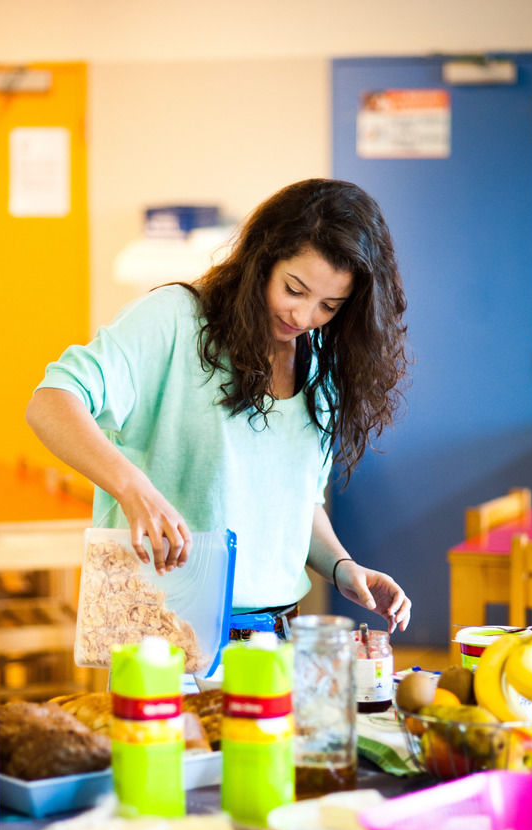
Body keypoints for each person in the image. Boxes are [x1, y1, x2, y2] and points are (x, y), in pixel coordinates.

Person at [26, 177, 412, 636]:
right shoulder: (174, 319)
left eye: (328, 306)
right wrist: (135, 490)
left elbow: (295, 502)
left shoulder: (319, 370)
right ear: (263, 259)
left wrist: (342, 567)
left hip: (274, 632)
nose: (303, 317)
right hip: (156, 624)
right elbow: (50, 402)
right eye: (294, 289)